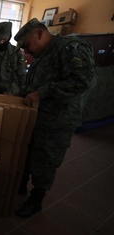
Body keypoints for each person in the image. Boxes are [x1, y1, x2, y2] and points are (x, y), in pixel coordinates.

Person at [13, 18, 96, 218]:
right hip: (37, 118)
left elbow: (81, 81)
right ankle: (21, 185)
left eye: (26, 46)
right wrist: (19, 95)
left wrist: (41, 93)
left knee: (45, 160)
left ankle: (36, 199)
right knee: (28, 152)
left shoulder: (70, 48)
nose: (26, 51)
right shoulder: (42, 54)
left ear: (39, 34)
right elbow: (34, 84)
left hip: (57, 121)